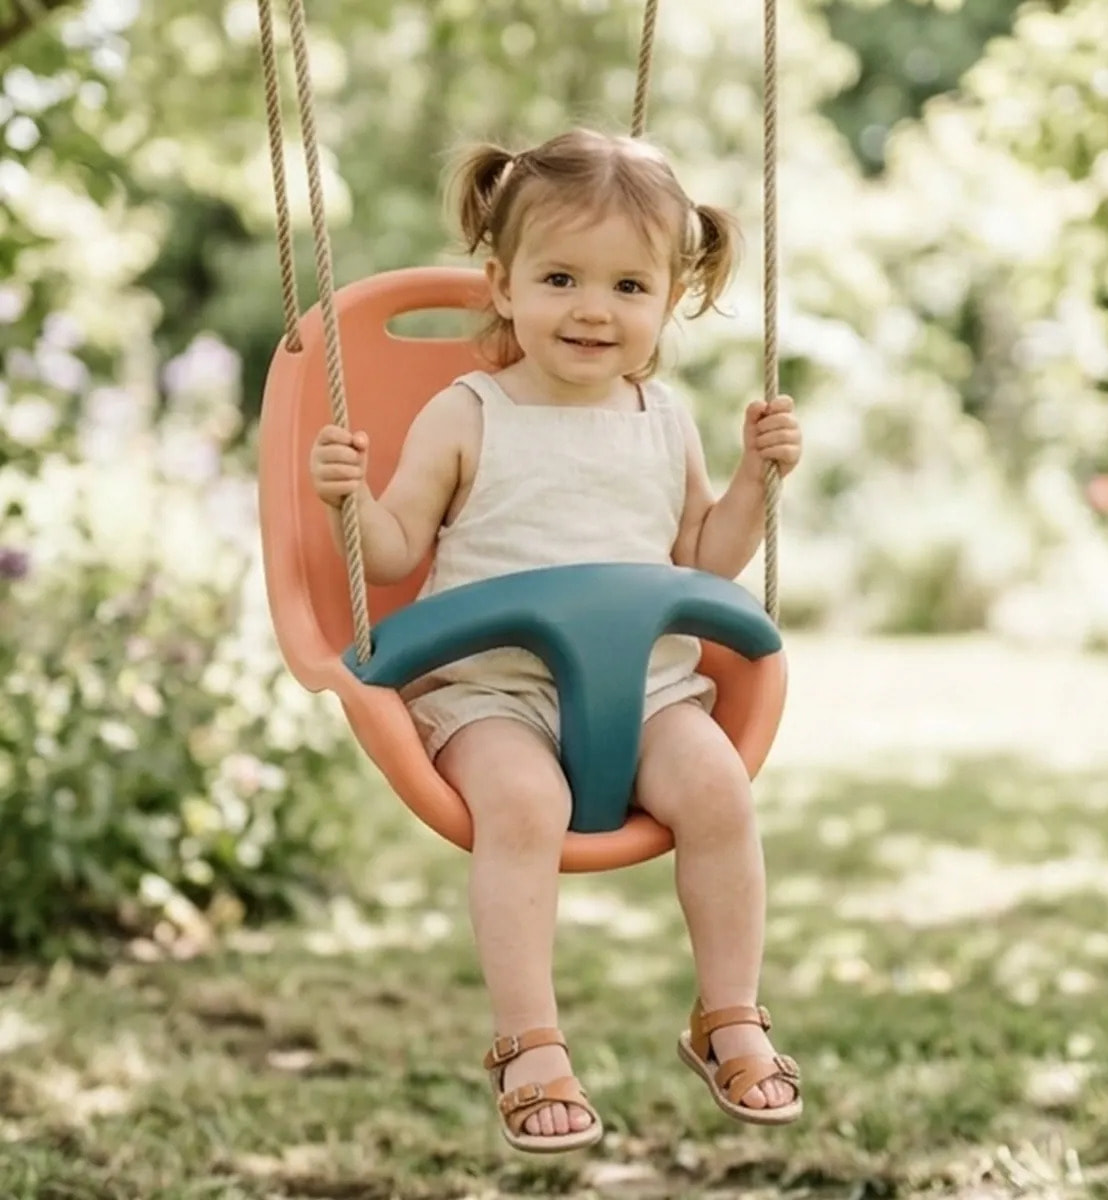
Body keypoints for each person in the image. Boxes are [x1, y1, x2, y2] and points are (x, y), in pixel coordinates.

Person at [309, 128, 803, 1153]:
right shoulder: (467, 412)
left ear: (671, 300)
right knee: (523, 803)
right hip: (492, 694)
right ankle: (529, 1043)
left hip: (650, 689)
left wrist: (757, 483)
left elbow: (705, 560)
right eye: (561, 277)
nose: (593, 309)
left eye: (629, 286)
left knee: (719, 791)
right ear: (500, 283)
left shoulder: (664, 420)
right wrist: (352, 502)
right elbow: (399, 548)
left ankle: (729, 1014)